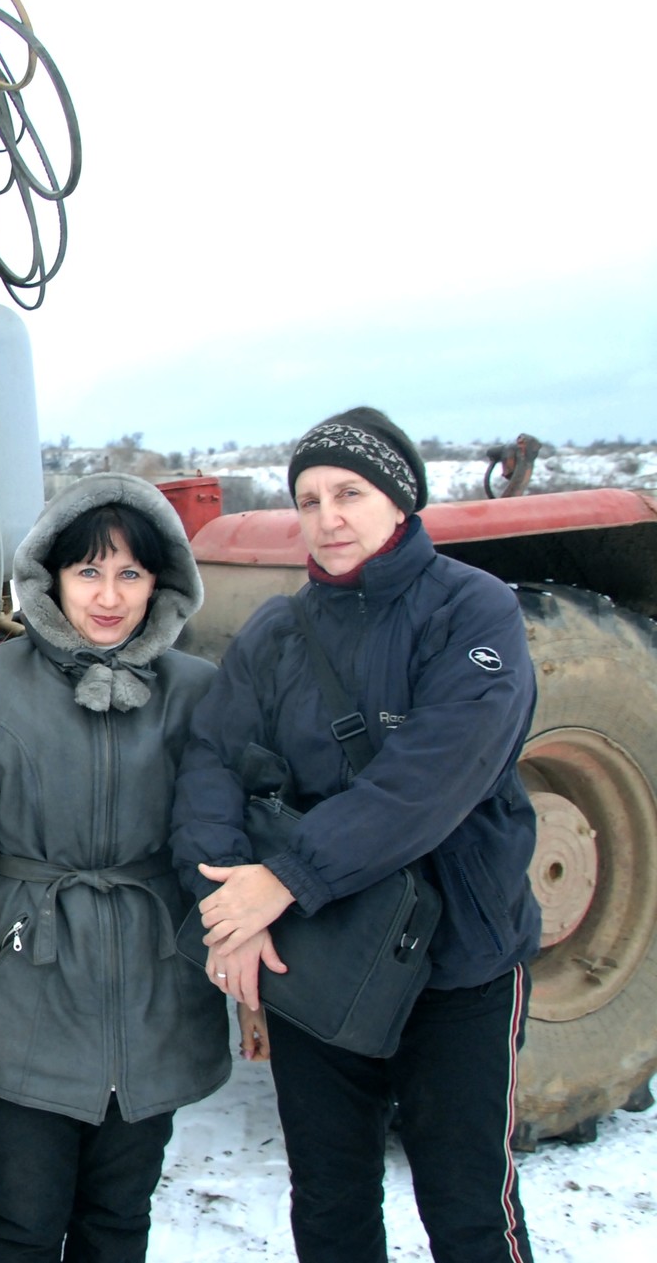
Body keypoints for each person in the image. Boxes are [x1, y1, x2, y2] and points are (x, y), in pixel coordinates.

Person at [171, 407, 539, 1263]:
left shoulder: (474, 611)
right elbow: (212, 762)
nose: (327, 517)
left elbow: (433, 776)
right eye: (309, 499)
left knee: (469, 1209)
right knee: (331, 1201)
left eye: (350, 493)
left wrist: (285, 877)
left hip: (459, 959)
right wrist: (228, 907)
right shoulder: (277, 632)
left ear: (400, 500)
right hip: (322, 961)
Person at [0, 473, 227, 1263]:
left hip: (155, 987)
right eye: (88, 570)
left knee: (119, 1216)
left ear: (162, 581)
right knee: (24, 1218)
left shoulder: (196, 690)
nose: (108, 595)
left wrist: (242, 970)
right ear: (51, 575)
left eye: (130, 573)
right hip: (27, 983)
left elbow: (219, 843)